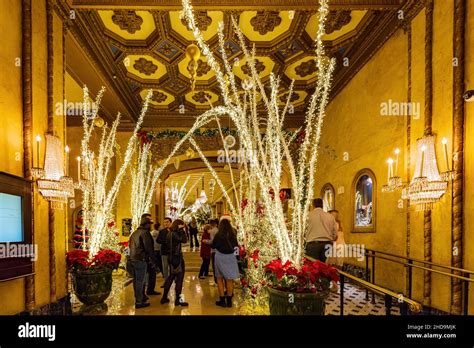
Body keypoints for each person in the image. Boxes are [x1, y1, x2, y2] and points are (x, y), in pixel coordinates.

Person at [128, 214, 158, 309]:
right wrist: (154, 261)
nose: (151, 226)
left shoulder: (135, 233)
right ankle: (139, 301)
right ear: (147, 224)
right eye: (150, 224)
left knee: (136, 280)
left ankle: (141, 297)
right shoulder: (145, 233)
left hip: (133, 259)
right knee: (140, 281)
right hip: (141, 259)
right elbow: (149, 249)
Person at [160, 219, 189, 307]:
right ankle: (177, 300)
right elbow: (184, 240)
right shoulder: (175, 233)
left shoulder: (170, 233)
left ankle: (164, 297)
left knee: (171, 277)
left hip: (171, 257)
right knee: (179, 278)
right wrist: (181, 230)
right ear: (179, 225)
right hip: (177, 258)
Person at [211, 219, 239, 308]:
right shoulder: (233, 234)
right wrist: (236, 258)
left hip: (220, 256)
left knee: (219, 278)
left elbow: (213, 245)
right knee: (229, 279)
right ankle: (229, 301)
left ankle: (222, 300)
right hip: (230, 257)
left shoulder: (218, 235)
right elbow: (236, 247)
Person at [305, 198, 337, 263]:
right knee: (325, 268)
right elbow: (335, 234)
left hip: (312, 245)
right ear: (322, 205)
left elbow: (304, 231)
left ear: (313, 205)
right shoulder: (330, 216)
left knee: (313, 268)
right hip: (327, 244)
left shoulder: (308, 216)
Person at [147, 222, 162, 295]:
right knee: (159, 263)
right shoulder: (160, 233)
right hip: (158, 249)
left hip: (153, 250)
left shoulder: (150, 233)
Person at [157, 217, 172, 287]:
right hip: (164, 251)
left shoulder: (174, 231)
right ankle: (166, 281)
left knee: (172, 267)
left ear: (170, 222)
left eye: (167, 222)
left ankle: (172, 280)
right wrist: (165, 241)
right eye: (164, 222)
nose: (166, 223)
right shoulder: (162, 231)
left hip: (172, 252)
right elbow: (158, 240)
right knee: (165, 267)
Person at [209, 219, 219, 283]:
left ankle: (216, 281)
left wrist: (207, 241)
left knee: (214, 266)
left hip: (214, 251)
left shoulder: (212, 231)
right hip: (219, 250)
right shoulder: (218, 230)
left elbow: (212, 241)